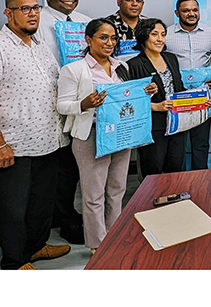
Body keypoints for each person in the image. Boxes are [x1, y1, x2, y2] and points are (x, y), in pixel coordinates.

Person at [0, 0, 70, 270]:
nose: (32, 13)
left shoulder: (40, 47)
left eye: (35, 8)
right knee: (14, 209)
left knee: (41, 203)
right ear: (8, 13)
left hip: (48, 142)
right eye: (25, 8)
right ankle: (14, 262)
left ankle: (35, 247)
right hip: (11, 146)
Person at [56, 19, 157, 254]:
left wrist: (146, 93)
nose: (109, 42)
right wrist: (84, 103)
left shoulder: (123, 67)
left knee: (117, 188)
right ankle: (98, 244)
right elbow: (62, 105)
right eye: (103, 37)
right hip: (90, 135)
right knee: (93, 194)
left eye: (113, 38)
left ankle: (116, 234)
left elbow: (126, 99)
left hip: (121, 134)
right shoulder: (74, 69)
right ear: (88, 39)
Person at [37, 0, 91, 244]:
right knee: (59, 161)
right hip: (52, 98)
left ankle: (69, 212)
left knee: (76, 158)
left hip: (84, 98)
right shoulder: (39, 22)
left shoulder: (84, 21)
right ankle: (63, 216)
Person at [127, 18, 188, 177]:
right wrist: (156, 106)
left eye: (163, 34)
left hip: (177, 124)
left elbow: (179, 88)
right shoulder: (134, 64)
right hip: (153, 127)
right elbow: (129, 101)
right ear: (144, 36)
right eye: (154, 34)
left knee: (175, 170)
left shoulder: (171, 58)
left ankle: (174, 202)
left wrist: (201, 101)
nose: (160, 39)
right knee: (153, 171)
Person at [166, 0, 211, 171]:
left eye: (194, 10)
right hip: (177, 97)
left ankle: (201, 181)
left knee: (201, 143)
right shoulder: (166, 35)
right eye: (186, 10)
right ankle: (177, 183)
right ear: (177, 13)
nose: (191, 14)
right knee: (177, 146)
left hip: (202, 96)